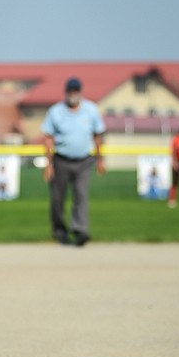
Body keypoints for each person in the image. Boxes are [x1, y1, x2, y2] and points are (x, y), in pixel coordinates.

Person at [41, 77, 106, 246]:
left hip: (84, 161)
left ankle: (80, 231)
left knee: (81, 196)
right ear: (66, 92)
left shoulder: (91, 110)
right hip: (61, 160)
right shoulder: (56, 111)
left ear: (80, 92)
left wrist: (100, 160)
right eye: (70, 91)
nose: (73, 94)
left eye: (76, 91)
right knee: (58, 199)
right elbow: (48, 138)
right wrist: (48, 165)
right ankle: (60, 231)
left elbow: (98, 136)